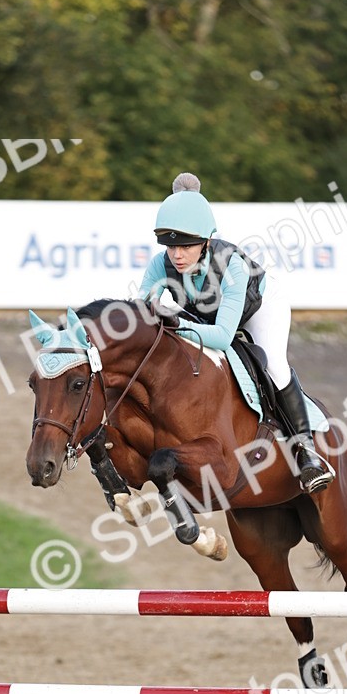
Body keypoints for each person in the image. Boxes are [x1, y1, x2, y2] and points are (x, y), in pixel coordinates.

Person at [137, 172, 334, 494]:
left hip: (258, 309)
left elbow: (223, 338)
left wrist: (173, 321)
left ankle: (305, 451)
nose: (177, 254)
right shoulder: (163, 263)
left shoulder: (231, 265)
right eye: (170, 245)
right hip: (205, 315)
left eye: (186, 245)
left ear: (207, 241)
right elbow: (140, 307)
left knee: (274, 366)